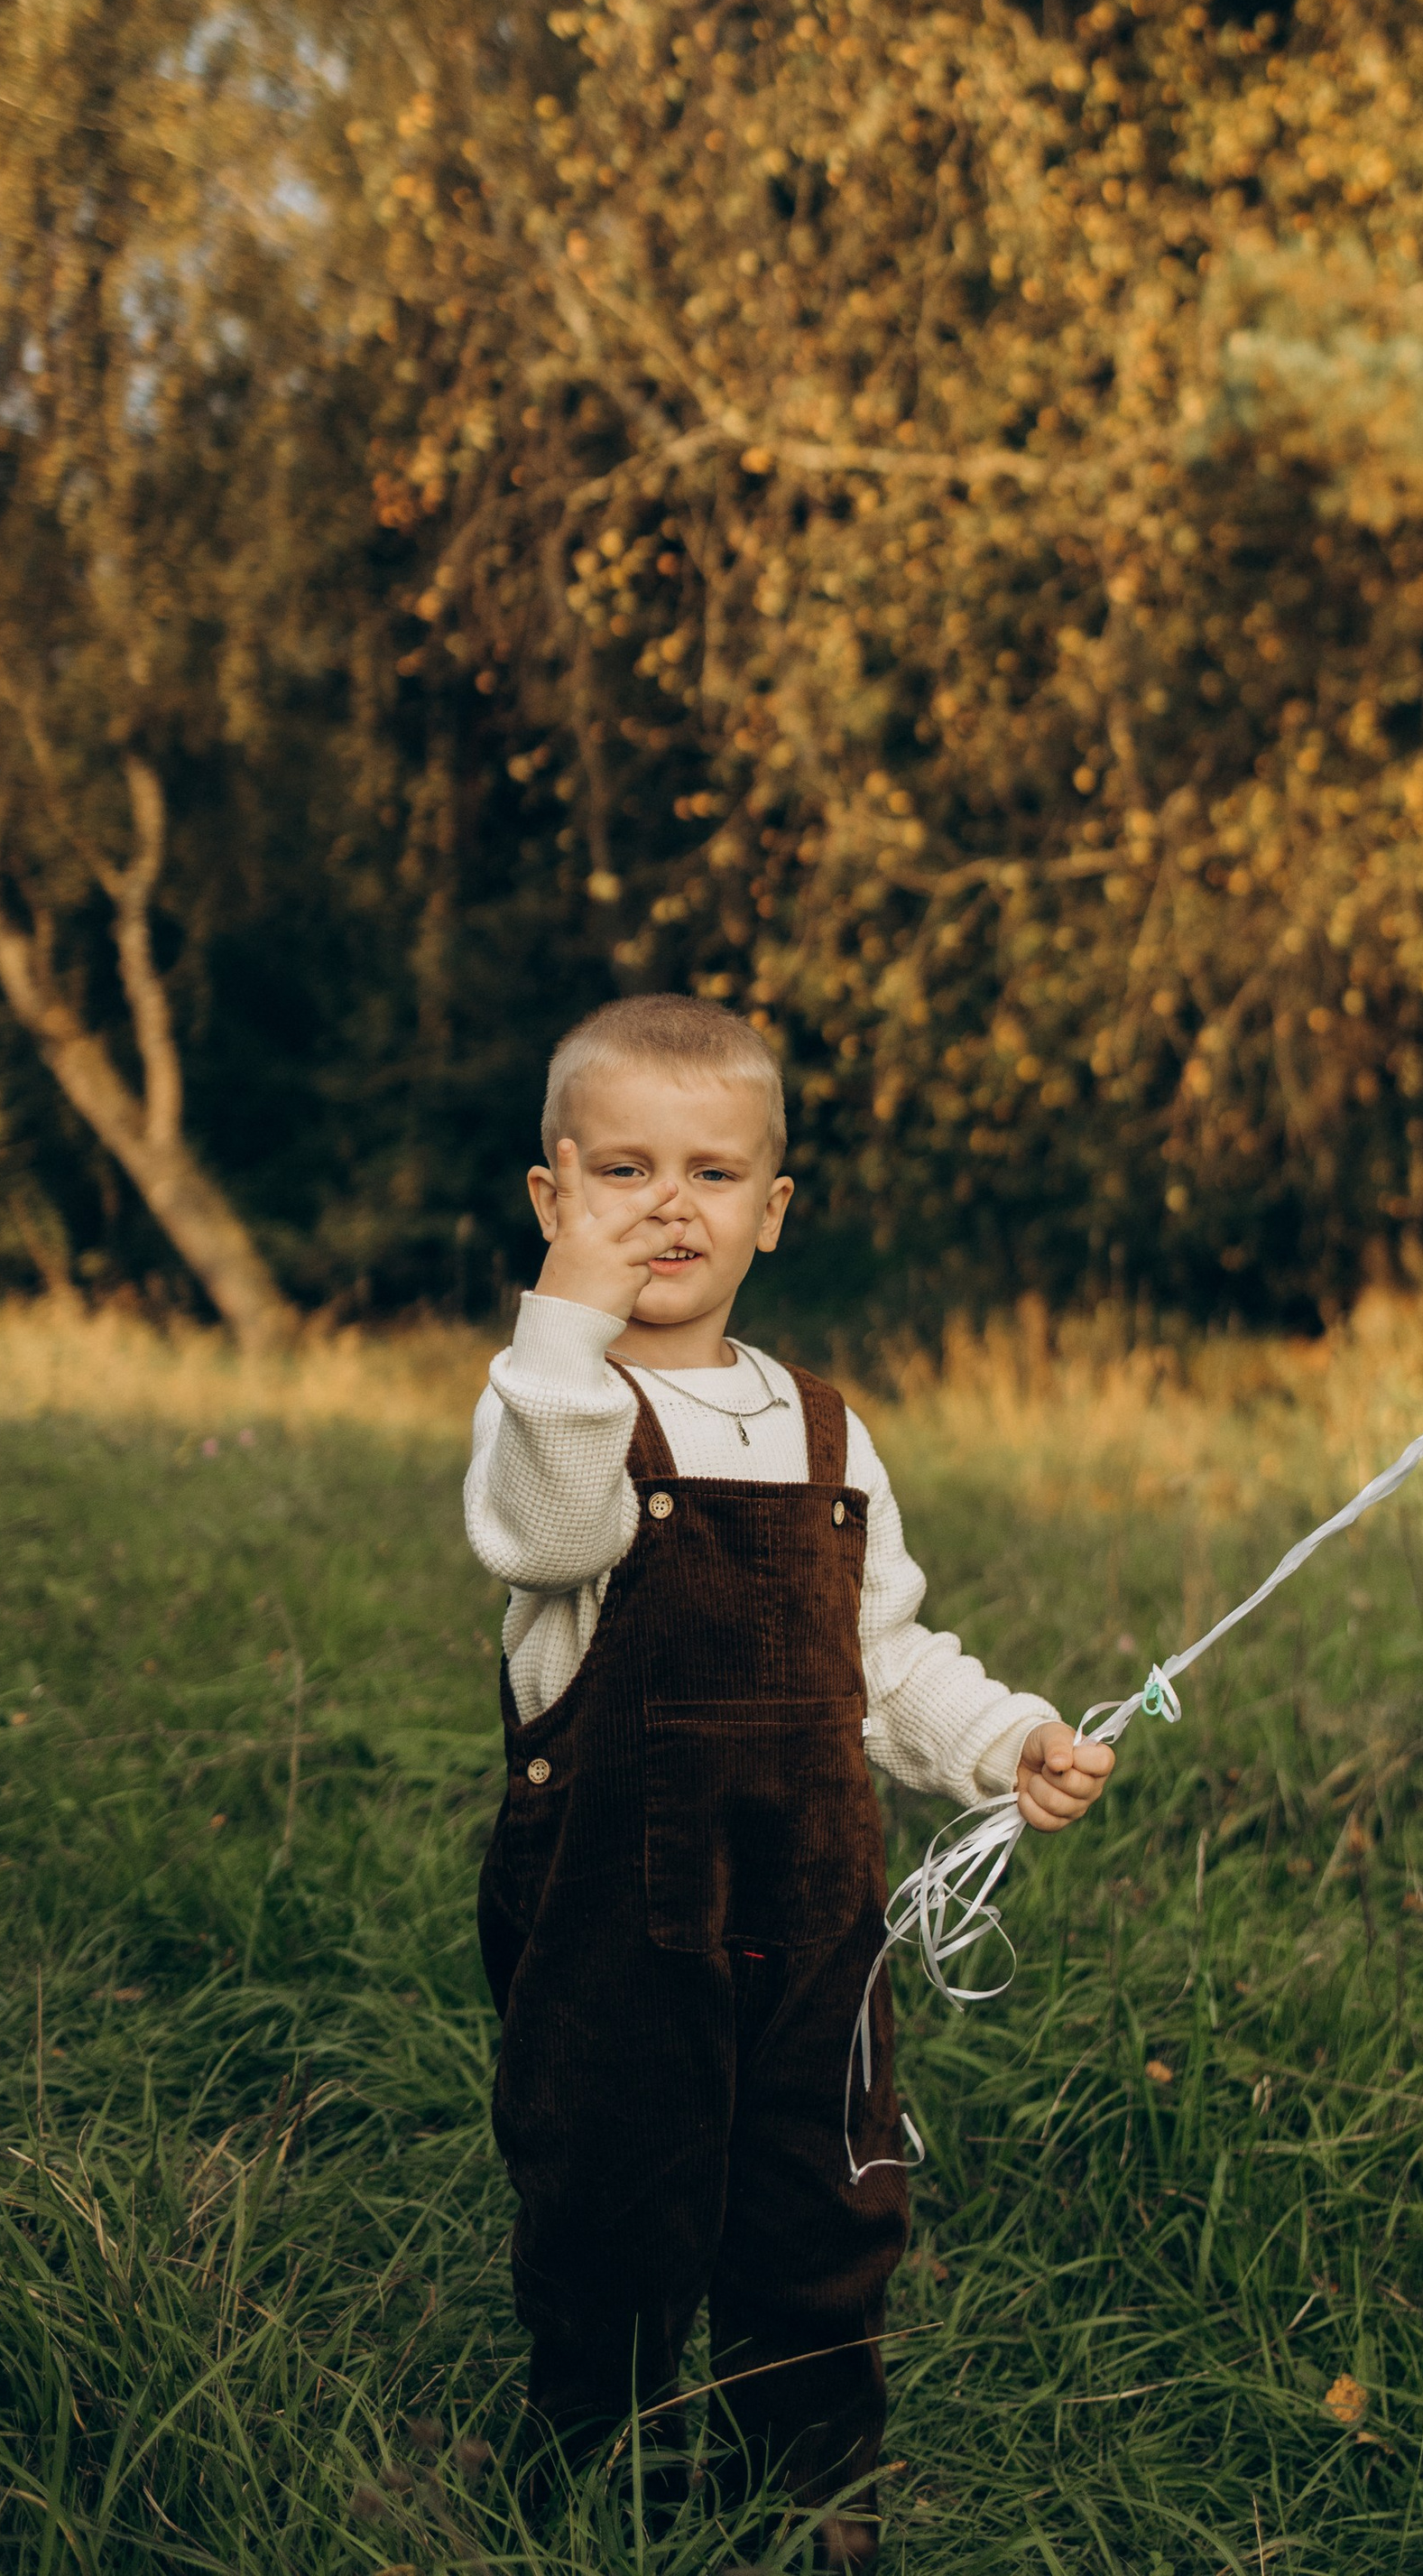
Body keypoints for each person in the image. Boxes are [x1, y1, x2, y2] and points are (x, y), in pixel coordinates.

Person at [465, 994, 1113, 2558]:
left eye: (711, 1170)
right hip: (615, 1901)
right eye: (622, 1171)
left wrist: (998, 1739)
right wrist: (562, 1322)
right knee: (611, 2183)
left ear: (774, 1209)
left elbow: (877, 1653)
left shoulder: (827, 1428)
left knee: (826, 2191)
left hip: (812, 1895)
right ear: (553, 1202)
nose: (668, 1204)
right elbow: (543, 1539)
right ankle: (577, 2467)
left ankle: (811, 2479)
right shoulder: (558, 1408)